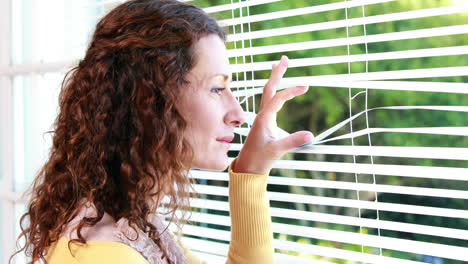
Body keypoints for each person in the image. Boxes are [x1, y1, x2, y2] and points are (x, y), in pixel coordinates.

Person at [11, 0, 312, 263]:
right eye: (217, 88)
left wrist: (251, 170)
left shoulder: (136, 224)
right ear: (150, 100)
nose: (238, 114)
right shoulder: (108, 255)